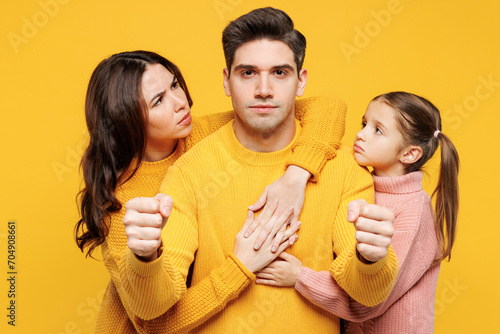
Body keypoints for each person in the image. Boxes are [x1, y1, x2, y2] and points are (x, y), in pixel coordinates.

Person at [122, 7, 398, 333]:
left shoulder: (344, 168)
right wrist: (145, 257)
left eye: (279, 73)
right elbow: (153, 310)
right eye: (248, 73)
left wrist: (370, 259)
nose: (264, 89)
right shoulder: (189, 170)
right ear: (227, 81)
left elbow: (366, 293)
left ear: (301, 81)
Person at [74, 50, 347, 333]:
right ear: (125, 119)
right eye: (159, 100)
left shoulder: (201, 136)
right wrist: (241, 266)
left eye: (175, 85)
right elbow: (155, 326)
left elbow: (327, 108)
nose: (180, 103)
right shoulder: (123, 204)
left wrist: (296, 175)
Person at [256, 91, 460, 333]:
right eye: (364, 124)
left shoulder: (413, 212)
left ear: (409, 154)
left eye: (377, 130)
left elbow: (369, 304)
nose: (360, 135)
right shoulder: (360, 186)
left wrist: (300, 277)